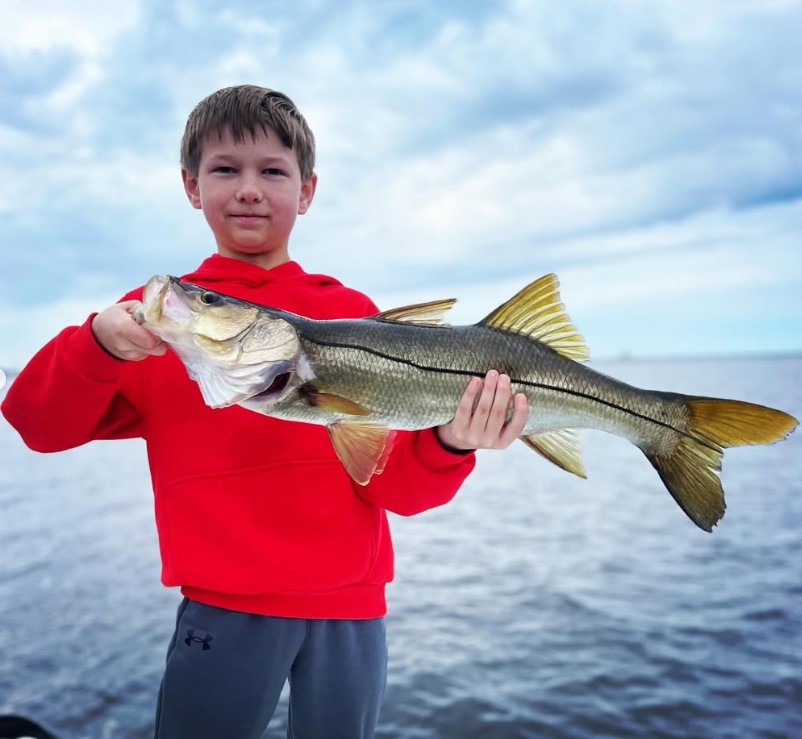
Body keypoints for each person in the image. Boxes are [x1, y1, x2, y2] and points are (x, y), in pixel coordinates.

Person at [1, 85, 529, 739]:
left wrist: (451, 443)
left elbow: (396, 486)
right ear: (191, 186)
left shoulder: (352, 314)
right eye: (226, 168)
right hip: (220, 610)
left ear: (306, 191)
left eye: (272, 171)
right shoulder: (159, 321)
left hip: (351, 612)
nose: (249, 189)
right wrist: (97, 344)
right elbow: (37, 424)